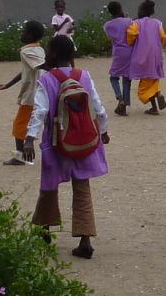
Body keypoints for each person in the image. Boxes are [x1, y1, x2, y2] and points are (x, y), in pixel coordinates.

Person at [23, 33, 108, 259]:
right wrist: (104, 131)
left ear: (53, 55)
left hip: (55, 142)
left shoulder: (47, 80)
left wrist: (29, 139)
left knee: (49, 186)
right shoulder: (85, 76)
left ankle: (44, 229)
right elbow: (98, 107)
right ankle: (85, 240)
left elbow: (39, 111)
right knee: (82, 189)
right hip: (84, 141)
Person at [0, 17, 48, 164]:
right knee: (44, 123)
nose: (21, 34)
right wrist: (8, 84)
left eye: (23, 32)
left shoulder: (26, 51)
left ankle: (20, 156)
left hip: (31, 95)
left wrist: (57, 66)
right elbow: (27, 70)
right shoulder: (40, 49)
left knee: (20, 124)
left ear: (29, 35)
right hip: (42, 92)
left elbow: (39, 66)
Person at [126, 0, 166, 110]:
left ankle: (155, 103)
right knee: (153, 79)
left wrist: (129, 42)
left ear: (143, 11)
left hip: (142, 56)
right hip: (156, 55)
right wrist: (158, 47)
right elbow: (163, 37)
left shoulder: (136, 23)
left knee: (143, 89)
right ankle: (157, 97)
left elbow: (131, 35)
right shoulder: (158, 23)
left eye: (139, 10)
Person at [102, 0, 134, 114]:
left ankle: (119, 98)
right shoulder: (129, 21)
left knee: (114, 77)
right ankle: (125, 103)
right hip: (130, 52)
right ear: (121, 9)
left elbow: (110, 36)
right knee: (126, 78)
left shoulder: (108, 25)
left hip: (118, 53)